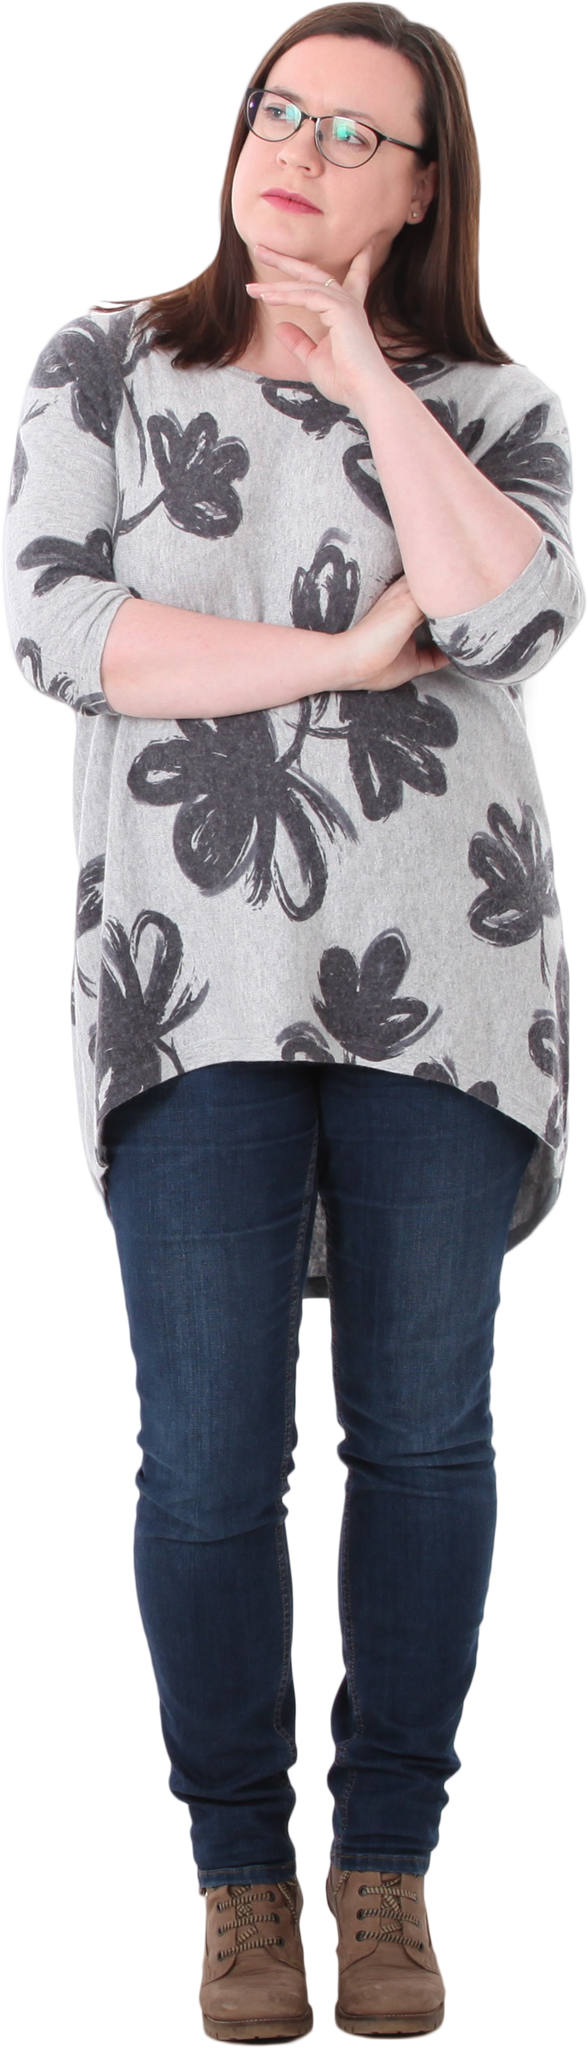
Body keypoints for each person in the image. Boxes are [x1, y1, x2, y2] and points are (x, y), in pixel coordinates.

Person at [2, 6, 583, 2039]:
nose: (302, 150)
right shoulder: (104, 362)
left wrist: (363, 373)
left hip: (449, 992)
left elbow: (510, 612)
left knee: (423, 1437)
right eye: (282, 110)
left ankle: (389, 1864)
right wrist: (341, 653)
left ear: (423, 188)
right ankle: (242, 1877)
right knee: (205, 1456)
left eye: (358, 135)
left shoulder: (498, 404)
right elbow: (64, 631)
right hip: (193, 986)